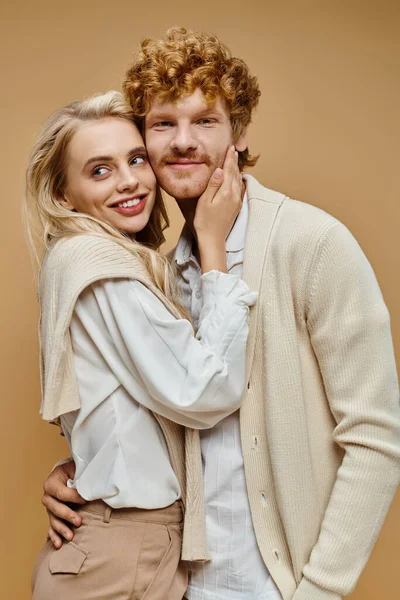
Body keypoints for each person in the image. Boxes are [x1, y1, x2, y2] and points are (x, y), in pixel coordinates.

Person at [42, 28, 400, 600]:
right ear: (145, 140)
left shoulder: (313, 244)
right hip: (174, 584)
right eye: (162, 124)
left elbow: (376, 439)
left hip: (278, 588)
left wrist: (320, 591)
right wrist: (80, 475)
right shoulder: (162, 273)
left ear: (238, 131)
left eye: (205, 120)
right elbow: (161, 414)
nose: (183, 142)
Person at [26, 90, 258, 599]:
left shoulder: (88, 259)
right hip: (119, 554)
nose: (130, 180)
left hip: (121, 545)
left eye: (134, 159)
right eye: (100, 170)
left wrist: (84, 472)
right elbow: (206, 392)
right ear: (63, 194)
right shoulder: (101, 268)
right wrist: (214, 245)